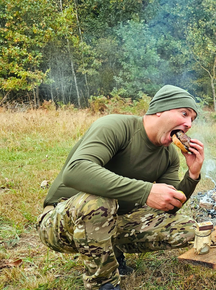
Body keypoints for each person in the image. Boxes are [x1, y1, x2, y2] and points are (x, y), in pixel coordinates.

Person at [37, 85, 205, 290]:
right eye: (184, 113)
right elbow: (75, 170)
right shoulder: (116, 126)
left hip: (114, 219)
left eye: (192, 119)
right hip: (61, 222)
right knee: (98, 202)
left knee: (187, 229)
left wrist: (193, 175)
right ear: (160, 109)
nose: (188, 124)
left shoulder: (169, 155)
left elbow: (168, 209)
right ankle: (104, 284)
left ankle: (111, 251)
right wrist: (145, 191)